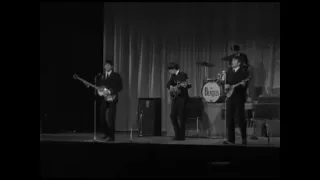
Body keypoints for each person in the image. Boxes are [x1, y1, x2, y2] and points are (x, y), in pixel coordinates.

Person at [224, 57, 250, 145]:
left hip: (239, 97)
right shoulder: (228, 72)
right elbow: (225, 83)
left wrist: (242, 85)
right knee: (229, 118)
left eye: (234, 61)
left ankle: (244, 138)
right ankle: (231, 139)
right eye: (232, 61)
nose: (232, 62)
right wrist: (226, 86)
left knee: (240, 118)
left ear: (239, 63)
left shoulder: (244, 72)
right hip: (230, 97)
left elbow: (245, 85)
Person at [96, 60, 123, 141]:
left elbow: (120, 87)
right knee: (101, 117)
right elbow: (99, 86)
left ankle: (111, 137)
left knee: (111, 117)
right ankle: (107, 133)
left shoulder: (116, 75)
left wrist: (111, 91)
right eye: (105, 65)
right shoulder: (102, 76)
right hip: (104, 99)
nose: (106, 66)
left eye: (108, 65)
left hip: (112, 98)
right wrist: (99, 91)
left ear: (112, 66)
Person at [166, 62, 192, 140]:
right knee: (173, 116)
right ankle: (177, 134)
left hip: (182, 99)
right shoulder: (172, 76)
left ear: (174, 69)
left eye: (170, 70)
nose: (169, 71)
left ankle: (181, 136)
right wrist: (171, 87)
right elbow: (167, 85)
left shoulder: (183, 74)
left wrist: (185, 85)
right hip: (175, 98)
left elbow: (189, 84)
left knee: (181, 117)